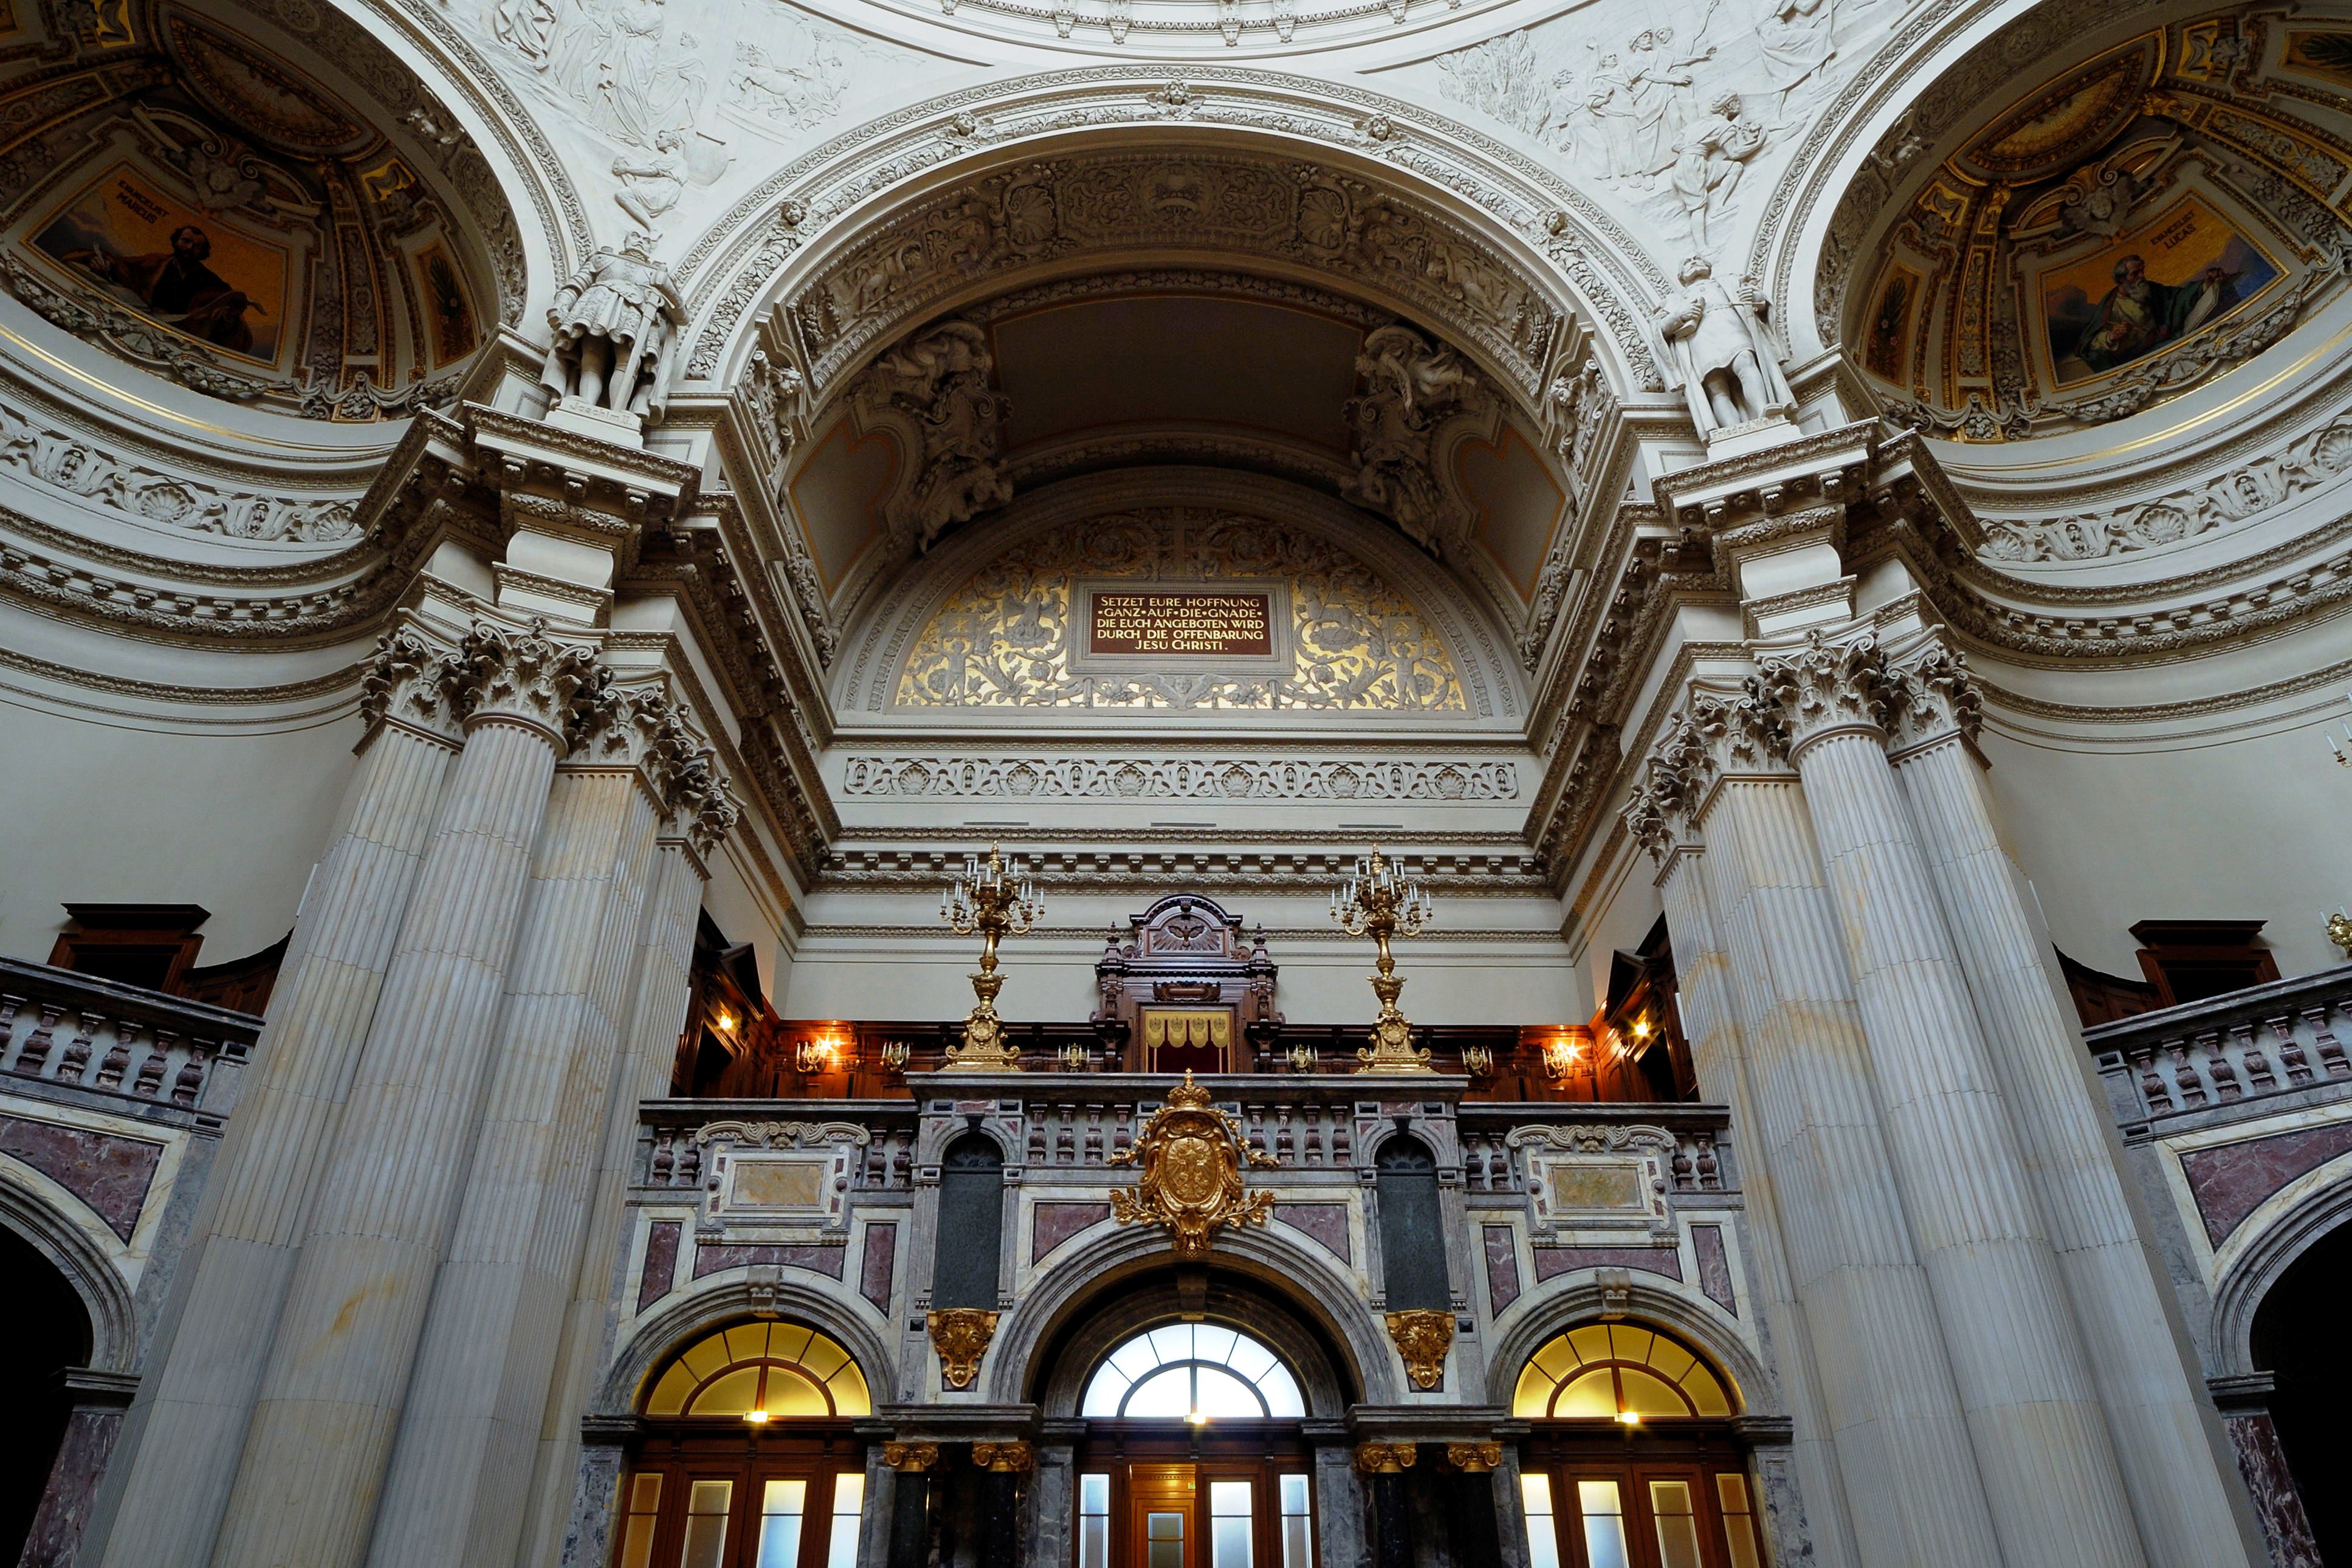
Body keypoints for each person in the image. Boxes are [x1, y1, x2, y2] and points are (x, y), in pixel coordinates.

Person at [70, 223, 258, 351]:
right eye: (186, 241)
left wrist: (229, 317)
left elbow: (234, 332)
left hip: (179, 338)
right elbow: (125, 267)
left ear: (203, 253)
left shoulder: (215, 285)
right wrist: (106, 265)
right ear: (176, 241)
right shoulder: (156, 262)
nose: (189, 248)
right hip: (139, 318)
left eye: (197, 246)